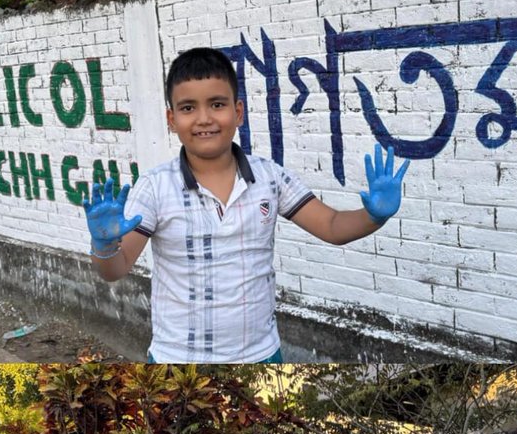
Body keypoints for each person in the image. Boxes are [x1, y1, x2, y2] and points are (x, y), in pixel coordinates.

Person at [83, 47, 410, 365]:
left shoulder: (270, 177)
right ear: (171, 118)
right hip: (178, 359)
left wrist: (373, 216)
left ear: (238, 111)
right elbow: (115, 270)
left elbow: (332, 226)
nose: (204, 118)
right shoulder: (155, 186)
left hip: (261, 355)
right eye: (187, 108)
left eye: (217, 104)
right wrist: (105, 244)